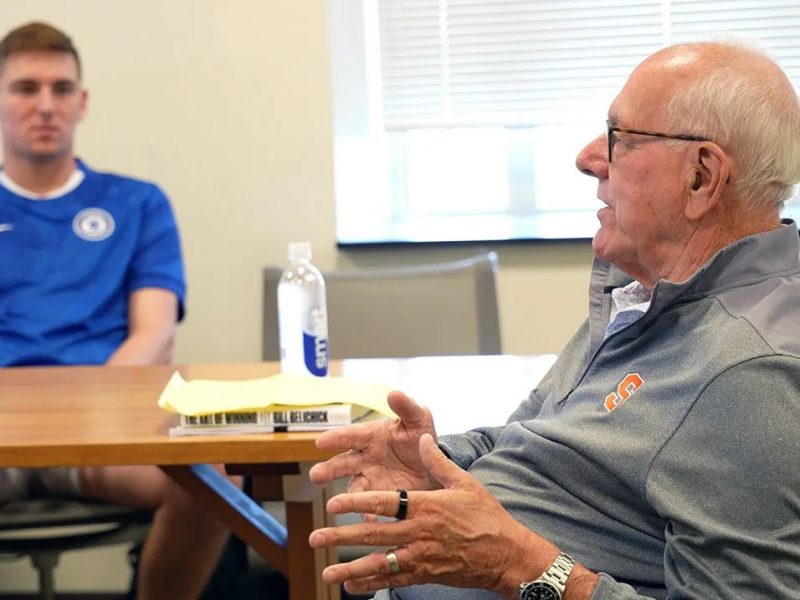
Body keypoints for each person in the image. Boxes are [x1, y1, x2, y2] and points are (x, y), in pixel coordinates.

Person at [306, 40, 800, 600]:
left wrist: (516, 564)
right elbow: (535, 442)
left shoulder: (750, 374)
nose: (589, 158)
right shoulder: (643, 299)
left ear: (701, 177)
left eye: (619, 138)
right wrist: (435, 463)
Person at [0, 22, 236, 599]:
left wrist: (72, 417)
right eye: (26, 88)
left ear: (82, 103)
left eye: (61, 88)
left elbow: (154, 336)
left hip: (100, 433)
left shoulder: (137, 203)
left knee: (214, 482)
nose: (46, 105)